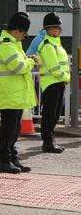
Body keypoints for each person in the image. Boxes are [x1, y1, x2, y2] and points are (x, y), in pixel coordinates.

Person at [0, 12, 37, 174]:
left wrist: (27, 60)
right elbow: (18, 67)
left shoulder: (13, 44)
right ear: (16, 30)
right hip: (8, 94)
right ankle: (4, 161)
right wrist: (31, 61)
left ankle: (13, 159)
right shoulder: (5, 44)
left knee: (14, 129)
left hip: (14, 95)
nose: (24, 37)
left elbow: (19, 64)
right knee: (9, 129)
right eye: (24, 33)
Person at [37, 13, 70, 153]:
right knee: (50, 114)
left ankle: (50, 141)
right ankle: (47, 143)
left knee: (55, 114)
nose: (60, 29)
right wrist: (66, 77)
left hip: (58, 83)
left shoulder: (56, 44)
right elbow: (54, 66)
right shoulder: (48, 45)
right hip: (52, 83)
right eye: (57, 27)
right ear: (49, 29)